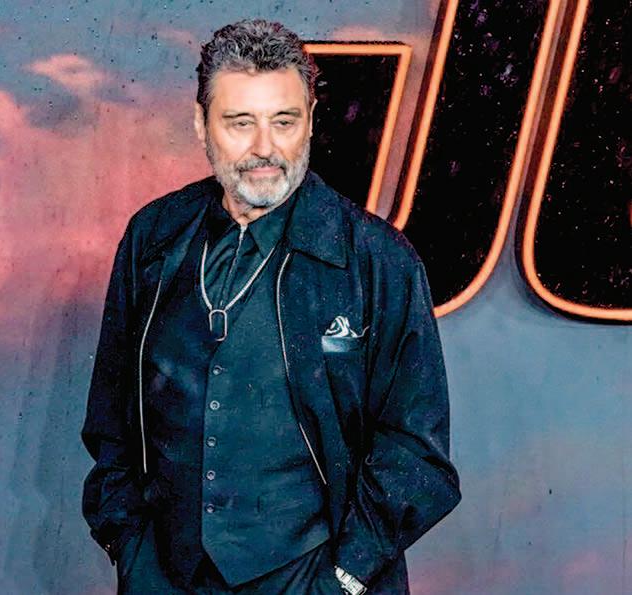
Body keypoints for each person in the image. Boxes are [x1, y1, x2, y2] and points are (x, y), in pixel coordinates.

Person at [81, 19, 460, 594]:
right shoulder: (154, 238)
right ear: (201, 125)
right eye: (241, 122)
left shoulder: (376, 259)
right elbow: (110, 420)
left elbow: (416, 450)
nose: (265, 147)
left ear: (310, 120)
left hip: (311, 577)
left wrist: (345, 576)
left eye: (284, 121)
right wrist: (130, 548)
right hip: (168, 575)